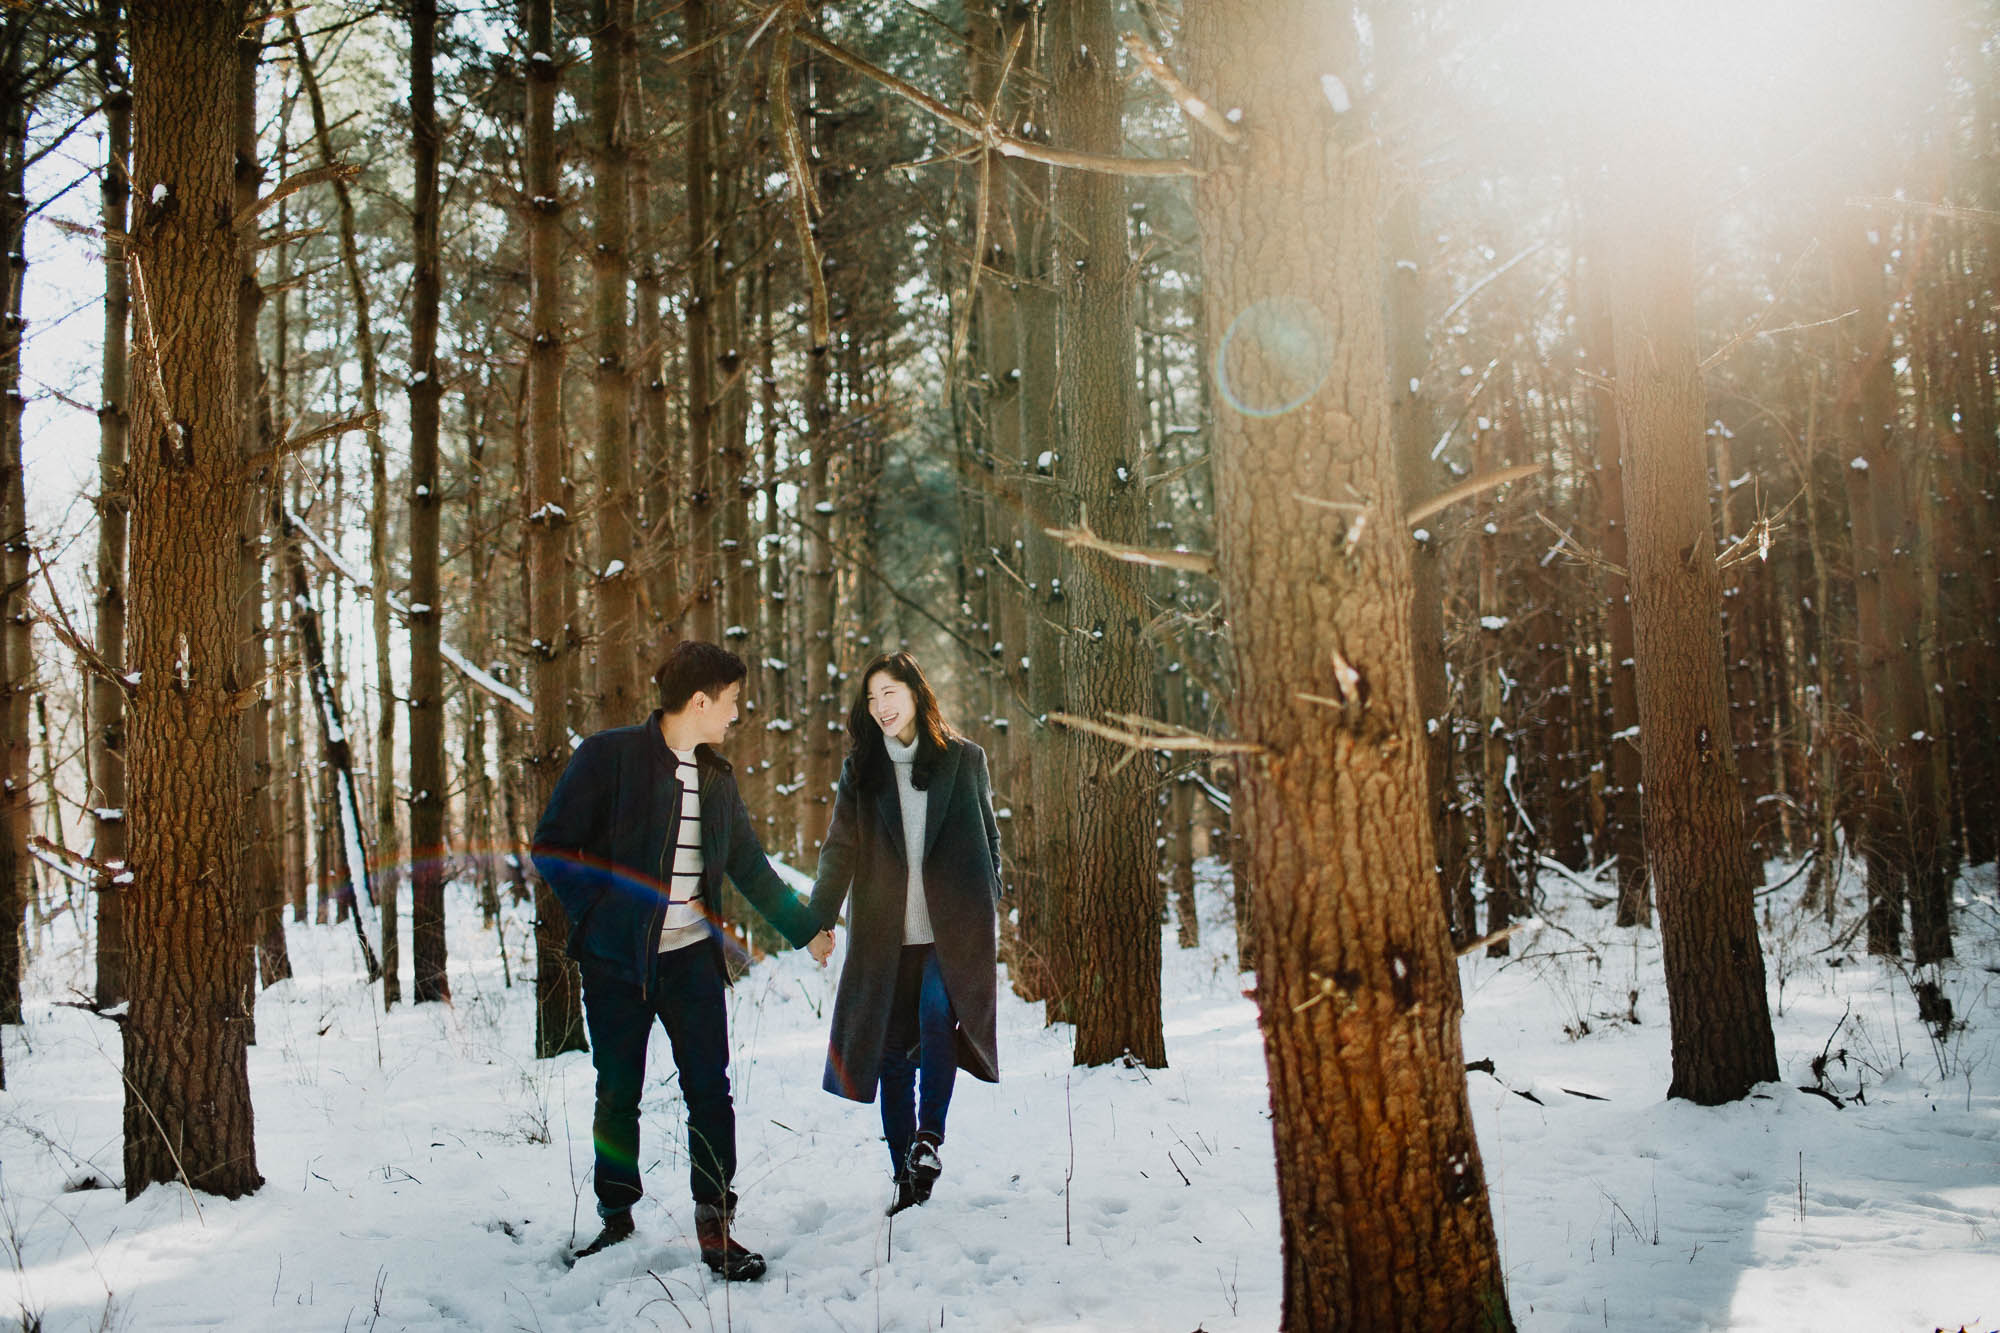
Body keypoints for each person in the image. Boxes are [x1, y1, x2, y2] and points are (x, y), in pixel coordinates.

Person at [531, 640, 835, 1277]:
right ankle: (616, 1221)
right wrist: (602, 915)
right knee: (617, 1092)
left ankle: (715, 1225)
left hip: (692, 962)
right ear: (700, 701)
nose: (734, 716)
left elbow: (751, 866)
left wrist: (804, 928)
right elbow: (554, 847)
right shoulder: (607, 758)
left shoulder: (716, 781)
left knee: (710, 1091)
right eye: (730, 703)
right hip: (617, 964)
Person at [808, 651, 1003, 1214]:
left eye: (889, 692)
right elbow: (838, 851)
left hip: (951, 931)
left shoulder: (964, 760)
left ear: (916, 693)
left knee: (938, 1016)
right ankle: (905, 1176)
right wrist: (818, 920)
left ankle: (929, 1140)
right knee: (891, 1054)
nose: (880, 706)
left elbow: (990, 836)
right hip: (884, 935)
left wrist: (988, 895)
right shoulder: (862, 772)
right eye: (871, 698)